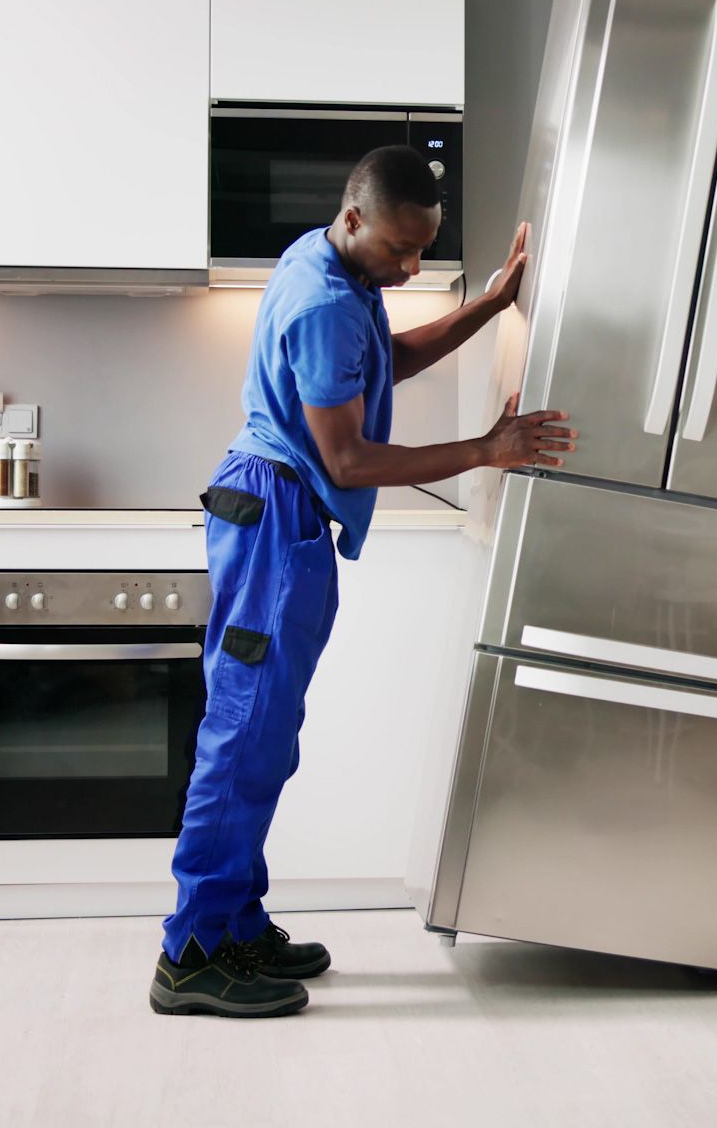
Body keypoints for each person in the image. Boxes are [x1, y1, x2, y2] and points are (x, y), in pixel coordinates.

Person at [150, 146, 577, 1017]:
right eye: (397, 251)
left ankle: (234, 925)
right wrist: (485, 450)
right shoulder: (319, 299)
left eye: (422, 252)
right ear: (353, 219)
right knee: (242, 734)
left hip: (279, 518)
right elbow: (345, 458)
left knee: (267, 734)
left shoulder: (332, 269)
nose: (410, 267)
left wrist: (489, 304)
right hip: (275, 520)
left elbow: (386, 360)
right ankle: (191, 952)